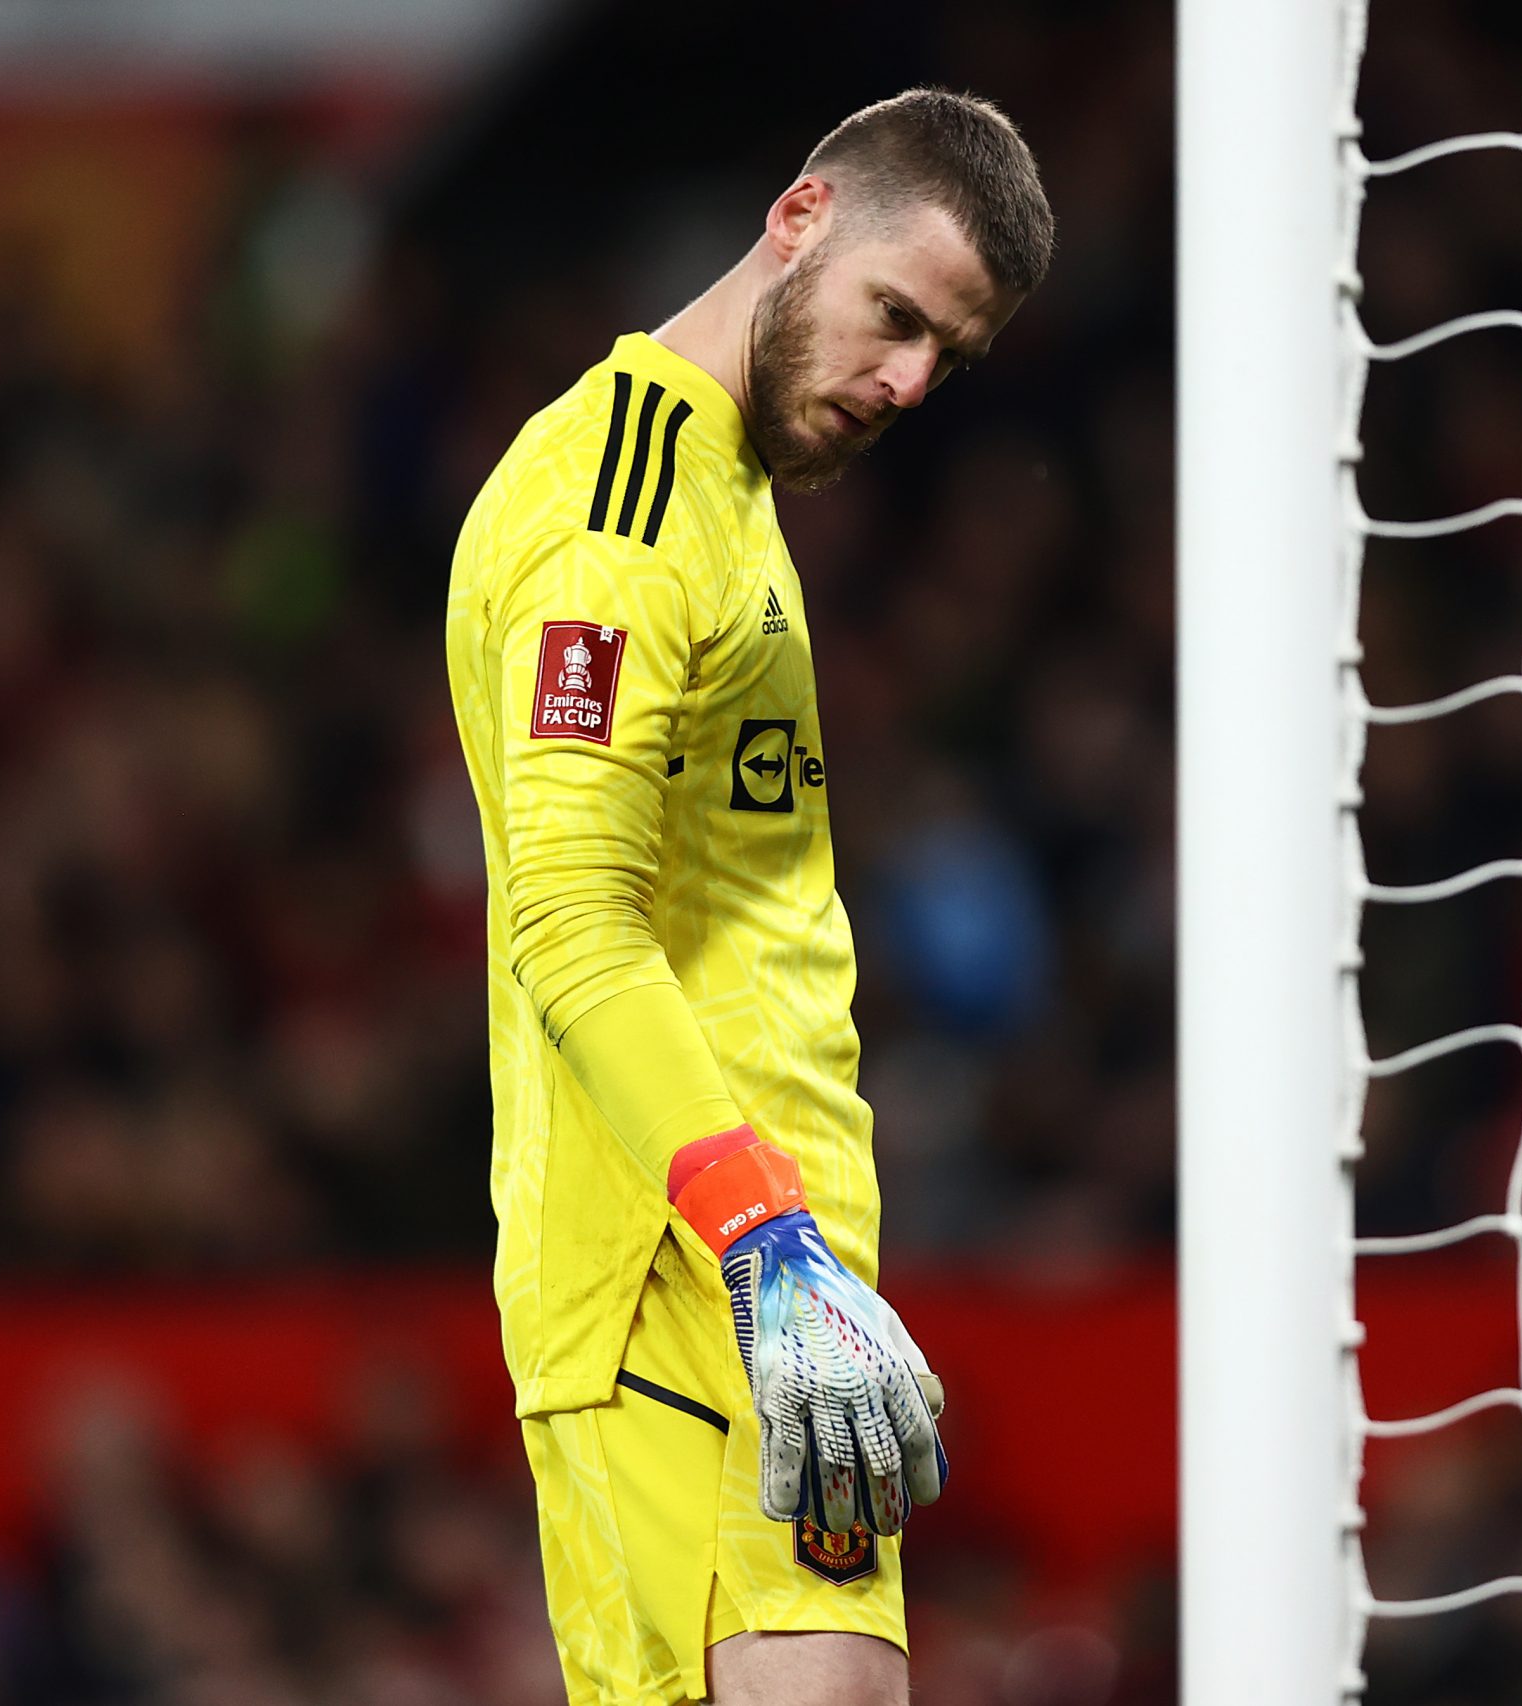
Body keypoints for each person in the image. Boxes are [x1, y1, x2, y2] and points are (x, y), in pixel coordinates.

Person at [444, 89, 1054, 1705]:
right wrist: (761, 1237)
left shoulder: (725, 492)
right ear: (799, 221)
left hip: (764, 1283)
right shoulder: (619, 514)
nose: (910, 380)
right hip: (687, 1281)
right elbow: (570, 918)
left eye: (947, 357)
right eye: (897, 317)